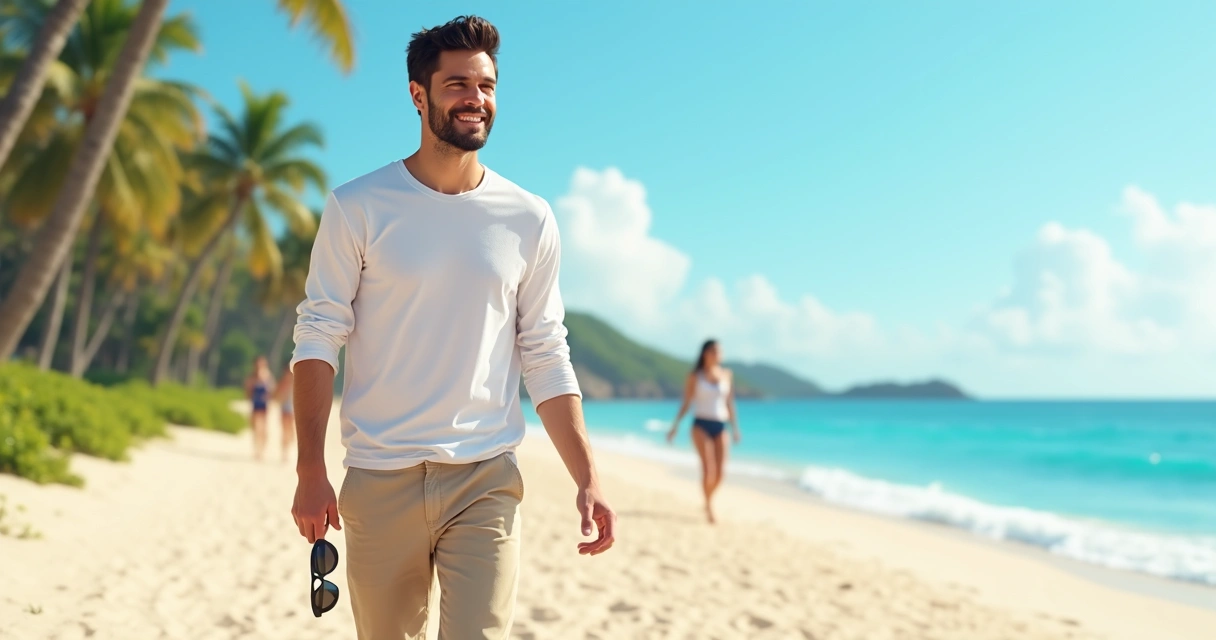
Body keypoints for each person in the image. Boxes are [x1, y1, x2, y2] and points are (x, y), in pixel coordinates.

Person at [288, 15, 616, 639]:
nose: (476, 98)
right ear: (419, 95)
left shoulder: (529, 218)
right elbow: (318, 337)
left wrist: (588, 477)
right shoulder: (357, 207)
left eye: (487, 85)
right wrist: (310, 468)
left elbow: (545, 351)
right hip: (381, 475)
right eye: (458, 83)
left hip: (486, 476)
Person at [667, 339, 741, 524]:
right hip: (700, 425)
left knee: (720, 473)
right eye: (714, 351)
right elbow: (686, 402)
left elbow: (730, 403)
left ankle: (708, 499)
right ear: (705, 353)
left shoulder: (727, 374)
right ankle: (709, 506)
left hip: (721, 425)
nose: (718, 354)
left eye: (720, 351)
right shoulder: (695, 376)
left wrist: (735, 428)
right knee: (709, 470)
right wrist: (675, 425)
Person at [245, 355, 275, 461]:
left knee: (263, 428)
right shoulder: (252, 376)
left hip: (264, 404)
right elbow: (248, 391)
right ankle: (257, 448)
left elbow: (271, 390)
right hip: (255, 404)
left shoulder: (267, 376)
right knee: (255, 427)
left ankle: (261, 450)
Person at [274, 364, 296, 463]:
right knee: (285, 431)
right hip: (285, 409)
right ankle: (285, 452)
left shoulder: (295, 381)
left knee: (289, 430)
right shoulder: (283, 382)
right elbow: (276, 395)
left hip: (292, 409)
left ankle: (287, 448)